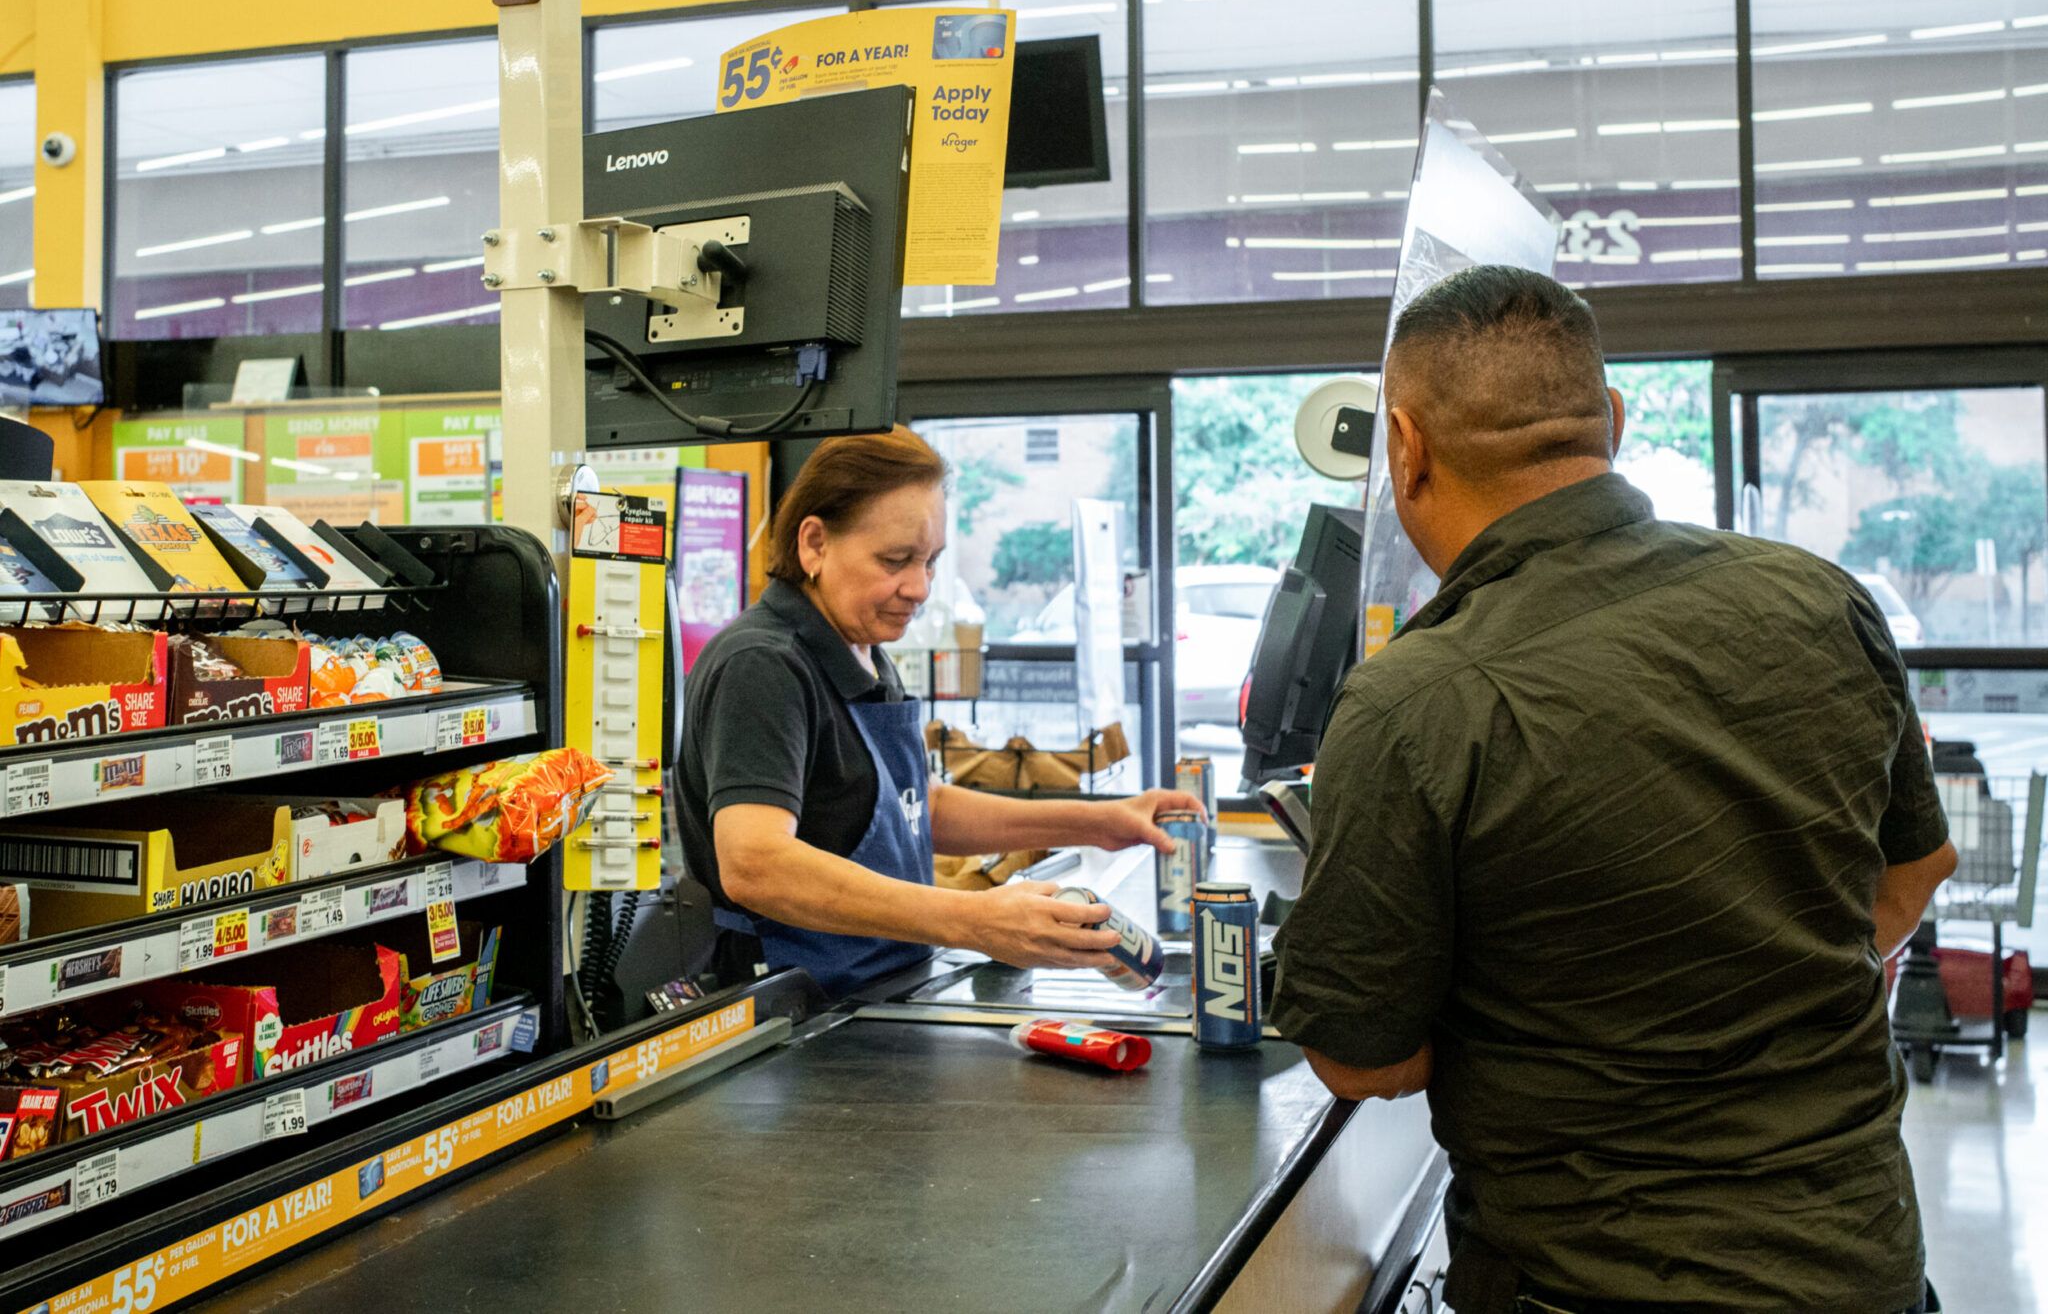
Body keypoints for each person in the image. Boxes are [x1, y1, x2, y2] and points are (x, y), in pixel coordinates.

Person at [1269, 266, 1956, 1314]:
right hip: (1862, 1269)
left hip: (1594, 1284)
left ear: (1401, 450)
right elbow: (1913, 872)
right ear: (1613, 424)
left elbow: (1360, 1058)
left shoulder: (1415, 700)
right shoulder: (1816, 597)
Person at [678, 426, 1203, 998]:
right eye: (896, 560)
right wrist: (975, 920)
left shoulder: (862, 648)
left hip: (879, 986)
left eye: (930, 561)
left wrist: (1098, 821)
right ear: (814, 544)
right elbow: (756, 863)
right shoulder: (763, 664)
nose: (920, 586)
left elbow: (920, 809)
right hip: (794, 1009)